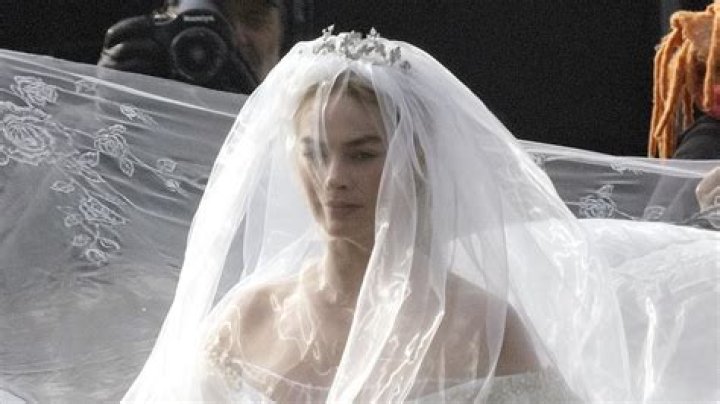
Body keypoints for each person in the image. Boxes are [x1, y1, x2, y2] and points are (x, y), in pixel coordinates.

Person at [118, 28, 719, 402]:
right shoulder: (248, 318)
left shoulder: (479, 329)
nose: (333, 178)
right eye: (315, 153)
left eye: (363, 154)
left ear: (417, 162)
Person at [97, 0, 296, 93]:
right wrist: (109, 108)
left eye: (254, 18)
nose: (233, 38)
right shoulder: (139, 98)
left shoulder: (303, 129)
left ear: (284, 36)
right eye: (211, 20)